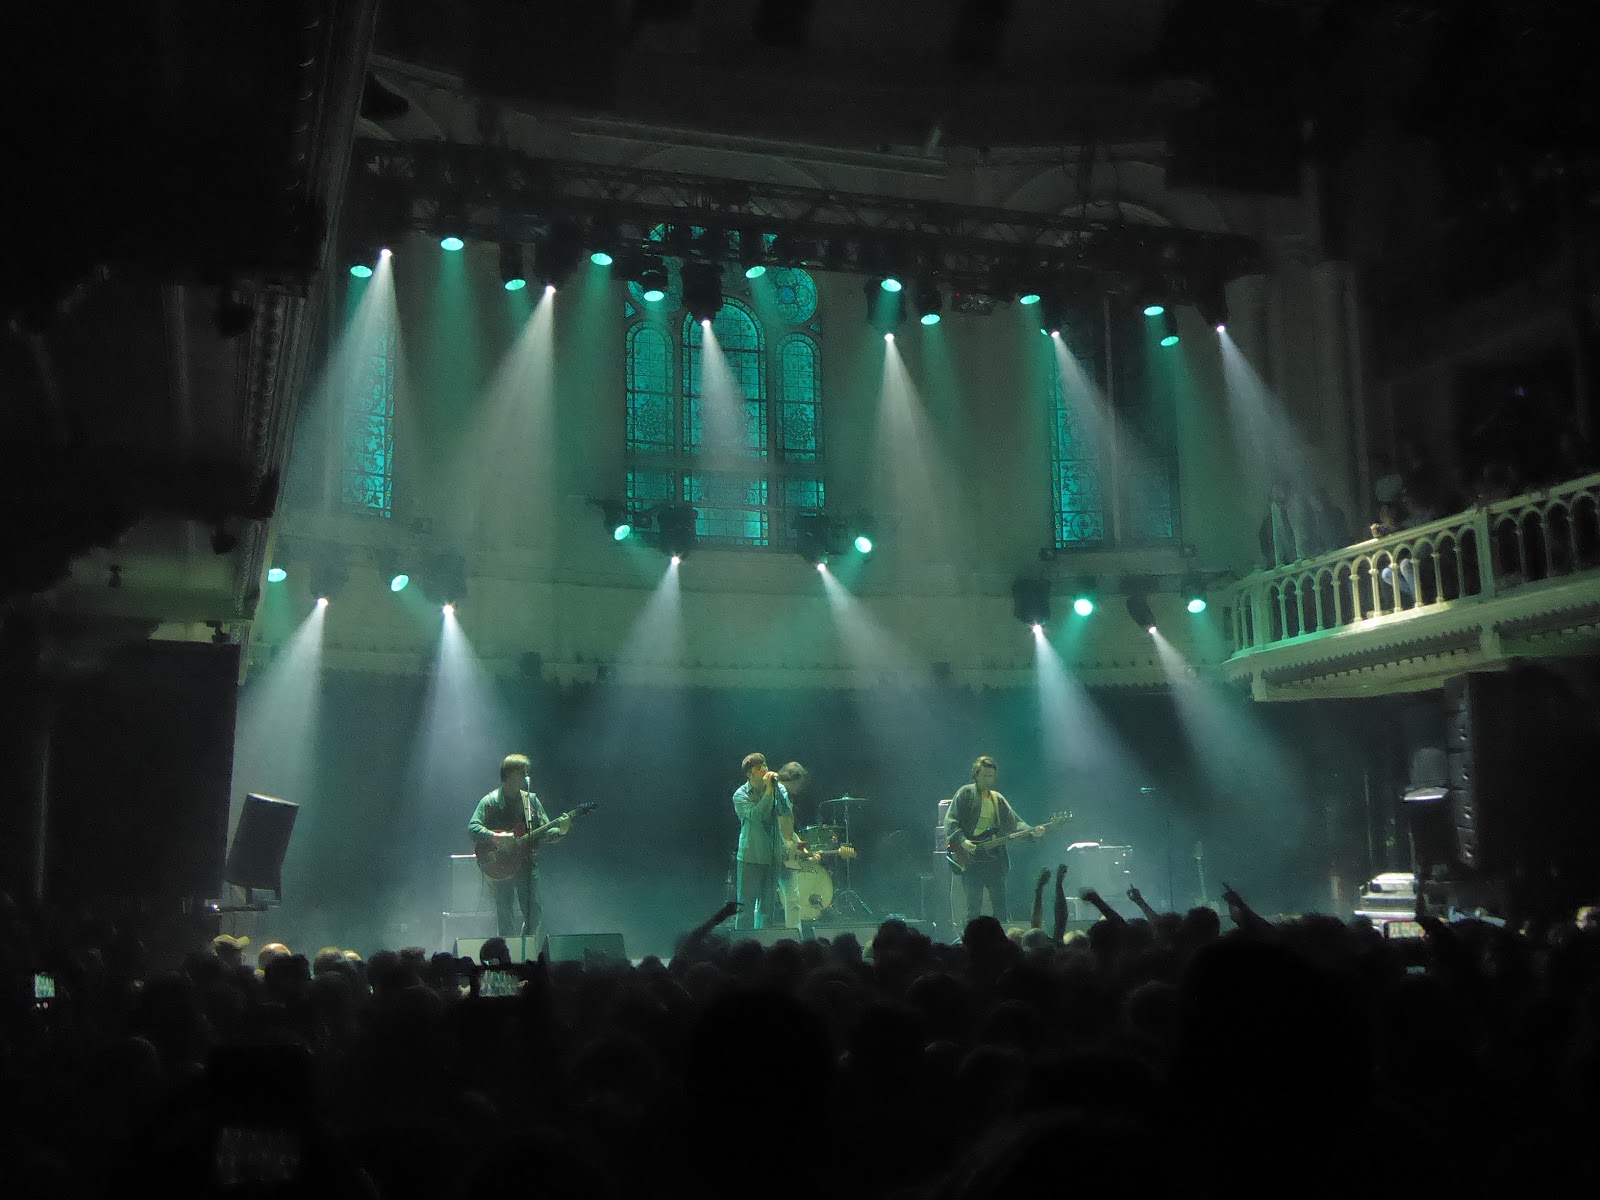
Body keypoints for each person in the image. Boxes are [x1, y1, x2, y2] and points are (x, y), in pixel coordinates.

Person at [468, 753, 569, 943]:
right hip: (501, 865)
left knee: (534, 912)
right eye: (522, 772)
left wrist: (560, 831)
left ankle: (525, 949)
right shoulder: (489, 801)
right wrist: (496, 836)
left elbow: (546, 831)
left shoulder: (531, 800)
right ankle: (508, 953)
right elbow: (473, 827)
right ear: (509, 774)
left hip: (526, 863)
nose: (526, 776)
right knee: (504, 912)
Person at [945, 755, 1044, 927]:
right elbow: (951, 820)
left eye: (991, 776)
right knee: (973, 907)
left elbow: (1014, 823)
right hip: (971, 859)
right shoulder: (965, 793)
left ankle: (1002, 940)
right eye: (984, 775)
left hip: (994, 860)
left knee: (1000, 906)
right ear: (976, 774)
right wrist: (963, 841)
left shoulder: (997, 799)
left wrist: (1032, 832)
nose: (988, 779)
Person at [731, 752, 797, 930]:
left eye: (765, 765)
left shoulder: (778, 789)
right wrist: (769, 791)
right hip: (751, 857)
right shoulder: (740, 795)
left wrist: (776, 789)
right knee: (745, 908)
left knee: (767, 909)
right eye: (759, 768)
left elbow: (786, 813)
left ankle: (762, 948)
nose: (765, 770)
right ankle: (743, 947)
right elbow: (758, 815)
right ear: (749, 774)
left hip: (773, 856)